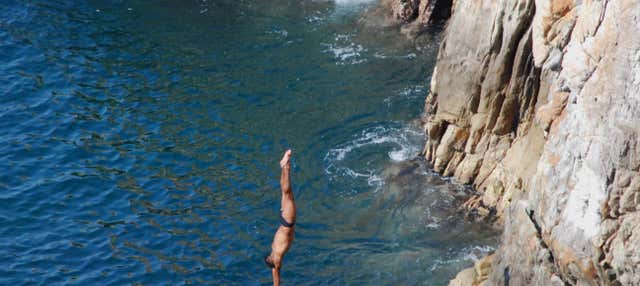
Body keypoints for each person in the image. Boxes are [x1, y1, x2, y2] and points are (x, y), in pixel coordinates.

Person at [264, 149, 296, 286]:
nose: (279, 264)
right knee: (285, 192)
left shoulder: (277, 257)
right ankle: (285, 166)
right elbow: (273, 271)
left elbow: (276, 276)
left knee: (287, 192)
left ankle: (286, 166)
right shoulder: (273, 249)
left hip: (288, 223)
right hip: (283, 220)